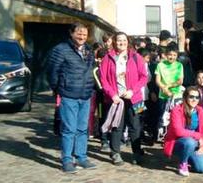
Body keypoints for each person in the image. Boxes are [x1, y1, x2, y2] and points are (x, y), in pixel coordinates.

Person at [47, 22, 96, 173]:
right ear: (71, 33)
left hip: (85, 94)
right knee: (69, 129)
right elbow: (51, 72)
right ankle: (67, 160)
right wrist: (59, 88)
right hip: (68, 94)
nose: (82, 37)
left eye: (85, 35)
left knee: (82, 128)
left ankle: (81, 157)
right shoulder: (61, 50)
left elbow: (91, 70)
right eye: (79, 34)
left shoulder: (88, 50)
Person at [98, 32, 149, 166]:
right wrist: (112, 94)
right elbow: (103, 79)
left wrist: (133, 91)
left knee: (136, 126)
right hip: (115, 99)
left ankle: (137, 152)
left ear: (128, 41)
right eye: (119, 40)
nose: (122, 42)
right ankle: (115, 152)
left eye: (124, 40)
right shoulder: (107, 58)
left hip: (135, 98)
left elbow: (144, 77)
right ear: (114, 42)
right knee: (117, 126)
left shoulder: (136, 57)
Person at [163, 86, 203, 176]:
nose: (194, 99)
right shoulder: (177, 110)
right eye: (191, 97)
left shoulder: (200, 110)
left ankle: (188, 156)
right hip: (178, 142)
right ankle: (183, 163)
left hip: (195, 143)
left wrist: (202, 145)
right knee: (189, 142)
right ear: (185, 97)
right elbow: (178, 131)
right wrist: (197, 136)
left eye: (197, 97)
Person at [155, 43, 184, 135]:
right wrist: (164, 89)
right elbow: (157, 80)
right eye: (170, 55)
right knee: (163, 115)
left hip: (176, 95)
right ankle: (163, 135)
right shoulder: (160, 65)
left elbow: (180, 81)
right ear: (166, 55)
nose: (172, 57)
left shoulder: (179, 65)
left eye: (174, 55)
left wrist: (167, 87)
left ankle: (174, 134)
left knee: (176, 116)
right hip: (163, 95)